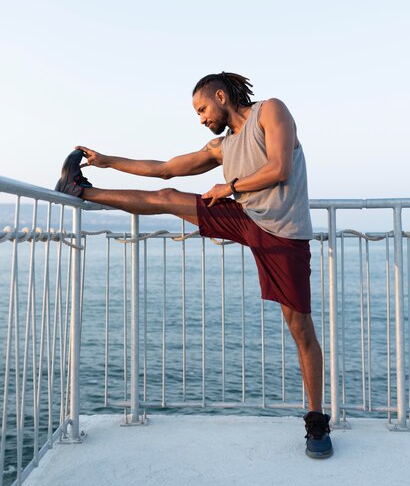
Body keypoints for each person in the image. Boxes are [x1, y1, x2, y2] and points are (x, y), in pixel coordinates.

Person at [55, 71, 333, 458]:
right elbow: (165, 168)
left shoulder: (271, 112)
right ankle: (79, 189)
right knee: (168, 194)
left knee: (300, 326)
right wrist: (107, 161)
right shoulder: (222, 146)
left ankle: (317, 421)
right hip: (243, 216)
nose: (201, 117)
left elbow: (279, 168)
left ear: (221, 96)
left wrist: (230, 187)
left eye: (202, 109)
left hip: (284, 234)